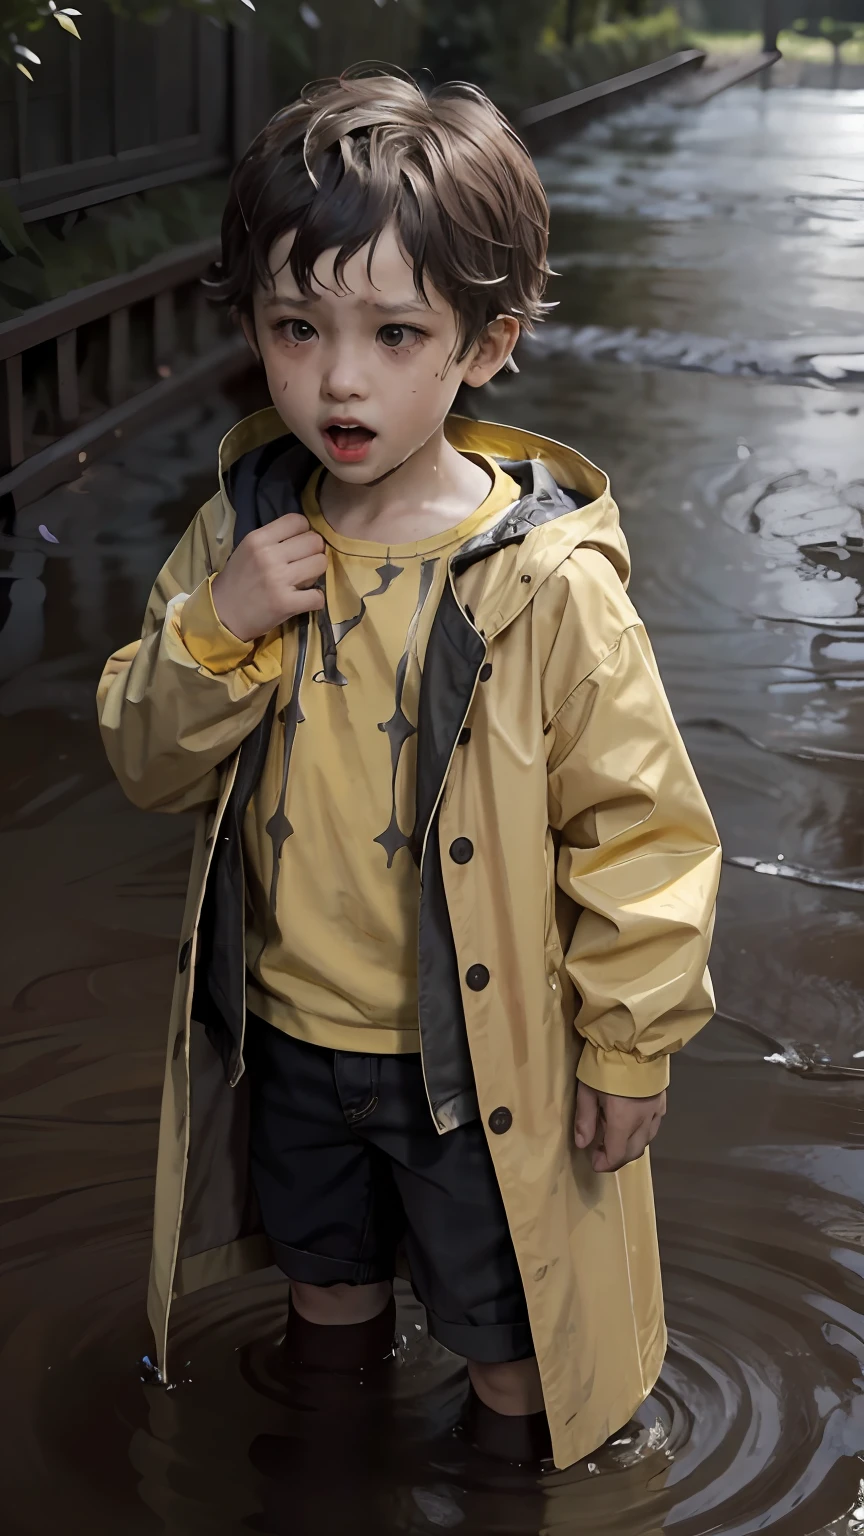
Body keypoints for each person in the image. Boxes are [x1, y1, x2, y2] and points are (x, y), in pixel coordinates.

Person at [96, 65, 721, 1473]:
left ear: (486, 345)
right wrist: (219, 628)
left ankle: (508, 1494)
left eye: (393, 332)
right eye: (296, 327)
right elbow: (142, 757)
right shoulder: (242, 537)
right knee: (326, 1302)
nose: (338, 378)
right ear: (256, 326)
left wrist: (629, 1041)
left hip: (478, 1063)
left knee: (515, 1349)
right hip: (298, 1042)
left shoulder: (547, 584)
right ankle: (327, 1479)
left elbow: (641, 831)